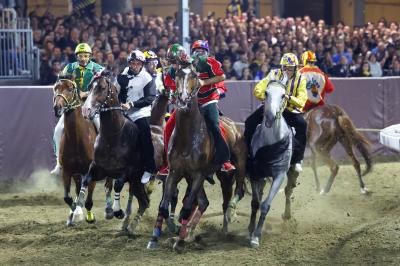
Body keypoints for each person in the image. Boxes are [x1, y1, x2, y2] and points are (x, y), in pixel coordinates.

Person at [159, 42, 235, 177]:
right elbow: (171, 86)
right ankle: (167, 164)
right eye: (172, 63)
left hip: (207, 99)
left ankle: (224, 160)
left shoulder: (204, 62)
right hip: (188, 103)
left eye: (175, 62)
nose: (174, 66)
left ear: (183, 58)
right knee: (168, 127)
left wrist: (204, 82)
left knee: (213, 123)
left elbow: (222, 77)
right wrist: (173, 93)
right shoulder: (173, 70)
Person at [244, 53, 308, 173]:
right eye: (285, 67)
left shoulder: (301, 79)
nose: (287, 70)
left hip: (289, 109)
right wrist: (269, 97)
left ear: (296, 68)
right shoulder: (274, 74)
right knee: (249, 122)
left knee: (302, 124)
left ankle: (297, 159)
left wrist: (289, 97)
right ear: (281, 67)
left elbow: (302, 101)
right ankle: (246, 153)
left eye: (290, 68)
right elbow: (258, 89)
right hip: (272, 107)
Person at [51, 43, 104, 175]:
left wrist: (86, 94)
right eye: (80, 56)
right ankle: (59, 163)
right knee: (58, 130)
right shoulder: (69, 68)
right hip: (73, 105)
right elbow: (60, 83)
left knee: (101, 127)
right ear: (76, 56)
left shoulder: (97, 68)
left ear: (90, 56)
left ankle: (103, 160)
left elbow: (102, 86)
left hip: (91, 104)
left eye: (86, 56)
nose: (83, 58)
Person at [117, 49, 157, 184]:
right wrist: (120, 103)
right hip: (125, 112)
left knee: (145, 135)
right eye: (132, 63)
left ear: (142, 64)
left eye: (137, 63)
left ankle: (150, 168)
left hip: (141, 112)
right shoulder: (123, 74)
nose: (134, 66)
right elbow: (119, 92)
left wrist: (132, 104)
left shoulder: (147, 78)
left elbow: (150, 98)